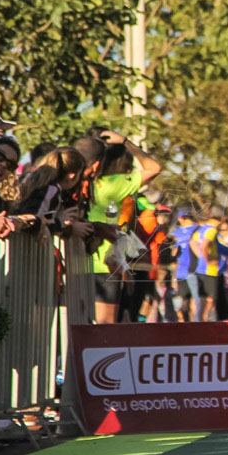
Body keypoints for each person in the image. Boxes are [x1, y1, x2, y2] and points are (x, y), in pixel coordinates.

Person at [86, 131, 161, 324]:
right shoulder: (116, 184)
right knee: (104, 330)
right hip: (104, 266)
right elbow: (154, 168)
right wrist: (127, 142)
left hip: (78, 263)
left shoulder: (85, 183)